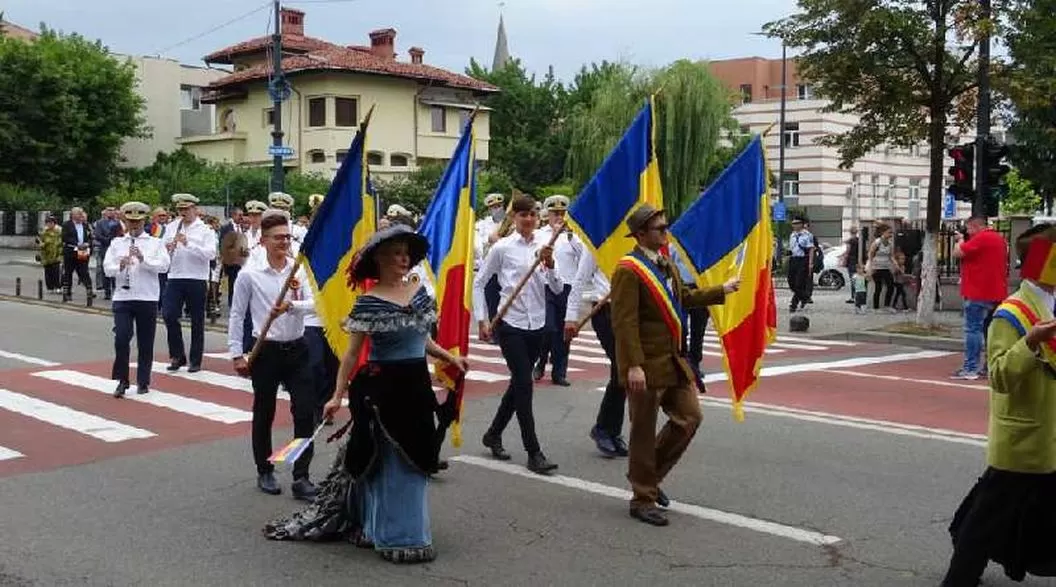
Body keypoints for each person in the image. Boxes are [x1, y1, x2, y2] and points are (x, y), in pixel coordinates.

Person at [264, 225, 468, 564]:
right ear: (380, 260)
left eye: (406, 253)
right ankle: (390, 533)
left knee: (416, 459)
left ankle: (409, 529)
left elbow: (423, 341)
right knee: (385, 462)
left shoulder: (419, 293)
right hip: (381, 389)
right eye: (395, 253)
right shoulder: (367, 303)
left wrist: (450, 357)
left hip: (416, 387)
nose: (403, 259)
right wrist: (336, 395)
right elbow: (350, 354)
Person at [941, 223, 1056, 586]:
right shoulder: (1013, 313)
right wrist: (1032, 342)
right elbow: (1001, 375)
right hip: (1025, 439)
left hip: (1051, 437)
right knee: (986, 519)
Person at [610, 203, 738, 526]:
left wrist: (720, 291)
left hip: (672, 361)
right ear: (641, 235)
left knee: (690, 418)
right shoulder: (629, 270)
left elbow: (684, 299)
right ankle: (642, 498)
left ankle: (649, 478)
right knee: (642, 432)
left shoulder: (665, 265)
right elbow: (624, 324)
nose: (666, 233)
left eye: (666, 227)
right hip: (646, 365)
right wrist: (633, 366)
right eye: (660, 229)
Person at [228, 210, 319, 500]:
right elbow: (236, 315)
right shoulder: (249, 275)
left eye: (287, 237)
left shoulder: (298, 270)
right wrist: (236, 355)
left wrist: (293, 308)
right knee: (264, 411)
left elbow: (316, 303)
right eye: (278, 238)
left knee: (305, 414)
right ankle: (265, 469)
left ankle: (301, 476)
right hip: (265, 350)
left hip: (297, 348)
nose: (284, 242)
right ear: (264, 241)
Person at [472, 194, 562, 474]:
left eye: (534, 214)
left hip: (537, 325)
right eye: (524, 215)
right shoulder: (502, 248)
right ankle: (533, 452)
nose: (530, 219)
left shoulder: (544, 246)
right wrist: (482, 319)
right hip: (510, 324)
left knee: (518, 385)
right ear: (514, 217)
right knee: (524, 384)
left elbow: (557, 289)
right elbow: (479, 282)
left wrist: (551, 265)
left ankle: (493, 433)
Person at [564, 250, 628, 458]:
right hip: (605, 310)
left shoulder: (637, 239)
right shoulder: (597, 241)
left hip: (630, 312)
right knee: (621, 368)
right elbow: (580, 278)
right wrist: (571, 317)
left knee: (622, 372)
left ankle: (611, 430)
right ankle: (603, 428)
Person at [103, 202, 170, 397]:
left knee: (145, 341)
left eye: (138, 221)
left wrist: (144, 260)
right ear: (125, 221)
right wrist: (120, 266)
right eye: (131, 221)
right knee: (122, 338)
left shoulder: (155, 243)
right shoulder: (117, 243)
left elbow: (164, 267)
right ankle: (123, 380)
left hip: (147, 297)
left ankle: (143, 381)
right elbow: (107, 269)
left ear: (144, 221)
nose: (134, 225)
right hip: (123, 297)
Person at [161, 193, 216, 373]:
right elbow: (161, 250)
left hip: (196, 278)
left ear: (195, 210)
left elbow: (210, 254)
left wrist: (188, 243)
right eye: (180, 210)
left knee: (197, 320)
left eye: (186, 209)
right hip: (175, 276)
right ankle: (178, 355)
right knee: (169, 315)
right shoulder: (171, 227)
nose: (183, 213)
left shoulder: (205, 230)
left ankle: (195, 359)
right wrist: (167, 248)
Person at [951, 215, 1009, 380]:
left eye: (969, 229)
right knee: (991, 331)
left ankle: (970, 368)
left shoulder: (981, 238)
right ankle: (990, 366)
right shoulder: (999, 239)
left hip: (978, 292)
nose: (968, 232)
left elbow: (958, 253)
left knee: (973, 329)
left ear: (975, 226)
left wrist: (960, 240)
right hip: (997, 292)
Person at [533, 195, 582, 387]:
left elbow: (583, 256)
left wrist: (570, 236)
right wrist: (553, 235)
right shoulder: (541, 234)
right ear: (548, 214)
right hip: (546, 285)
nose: (558, 217)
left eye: (562, 213)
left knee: (564, 332)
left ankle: (559, 372)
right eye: (555, 214)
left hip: (568, 286)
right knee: (548, 327)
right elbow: (536, 254)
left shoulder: (574, 235)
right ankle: (541, 360)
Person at [476, 193, 507, 341]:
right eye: (493, 207)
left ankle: (506, 331)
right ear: (489, 209)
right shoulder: (482, 225)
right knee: (492, 300)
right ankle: (495, 332)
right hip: (489, 267)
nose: (497, 209)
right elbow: (478, 245)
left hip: (506, 267)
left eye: (499, 206)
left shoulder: (510, 222)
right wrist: (489, 239)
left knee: (507, 300)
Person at [60, 207, 94, 302]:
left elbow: (90, 237)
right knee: (68, 272)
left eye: (81, 214)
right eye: (79, 214)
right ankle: (67, 293)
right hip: (71, 251)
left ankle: (89, 291)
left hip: (83, 251)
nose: (81, 216)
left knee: (84, 271)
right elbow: (65, 237)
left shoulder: (85, 225)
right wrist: (77, 244)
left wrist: (88, 243)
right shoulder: (67, 225)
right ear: (73, 215)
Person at [786, 217, 813, 313]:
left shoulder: (808, 235)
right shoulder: (792, 235)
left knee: (799, 284)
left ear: (801, 224)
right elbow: (791, 248)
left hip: (803, 260)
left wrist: (810, 263)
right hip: (794, 259)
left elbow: (811, 249)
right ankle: (805, 296)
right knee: (791, 282)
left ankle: (793, 304)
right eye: (793, 223)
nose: (794, 225)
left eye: (796, 223)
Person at [868, 223, 897, 310]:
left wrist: (895, 264)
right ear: (883, 233)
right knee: (878, 287)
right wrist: (871, 266)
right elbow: (871, 254)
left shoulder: (890, 243)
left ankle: (887, 305)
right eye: (889, 233)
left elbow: (891, 256)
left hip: (886, 267)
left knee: (891, 286)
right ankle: (875, 307)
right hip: (877, 268)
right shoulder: (877, 242)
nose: (890, 235)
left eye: (891, 233)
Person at [37, 216, 62, 294]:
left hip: (56, 253)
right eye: (47, 222)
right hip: (46, 254)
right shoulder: (44, 231)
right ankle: (50, 287)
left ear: (54, 223)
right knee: (48, 272)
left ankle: (57, 286)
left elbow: (61, 242)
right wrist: (41, 244)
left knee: (56, 271)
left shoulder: (59, 231)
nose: (49, 224)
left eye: (51, 222)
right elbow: (40, 241)